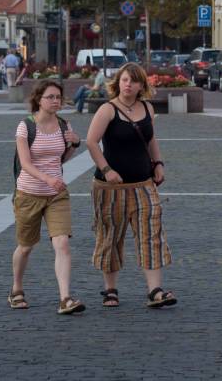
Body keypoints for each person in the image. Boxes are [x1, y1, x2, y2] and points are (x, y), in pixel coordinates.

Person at [85, 62, 175, 311]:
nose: (128, 84)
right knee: (110, 237)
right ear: (118, 82)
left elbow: (150, 139)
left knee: (151, 233)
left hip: (143, 183)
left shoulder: (146, 107)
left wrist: (158, 163)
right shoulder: (107, 109)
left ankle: (155, 291)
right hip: (110, 188)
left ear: (141, 85)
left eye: (134, 81)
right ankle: (110, 289)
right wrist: (107, 170)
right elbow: (91, 142)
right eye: (124, 79)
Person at [10, 80, 85, 315]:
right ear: (39, 99)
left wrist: (74, 144)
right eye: (50, 97)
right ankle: (16, 289)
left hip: (56, 195)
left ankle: (65, 298)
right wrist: (47, 178)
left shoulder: (64, 124)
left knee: (62, 243)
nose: (55, 101)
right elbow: (25, 164)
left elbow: (60, 158)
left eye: (58, 97)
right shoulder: (25, 127)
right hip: (29, 193)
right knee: (25, 246)